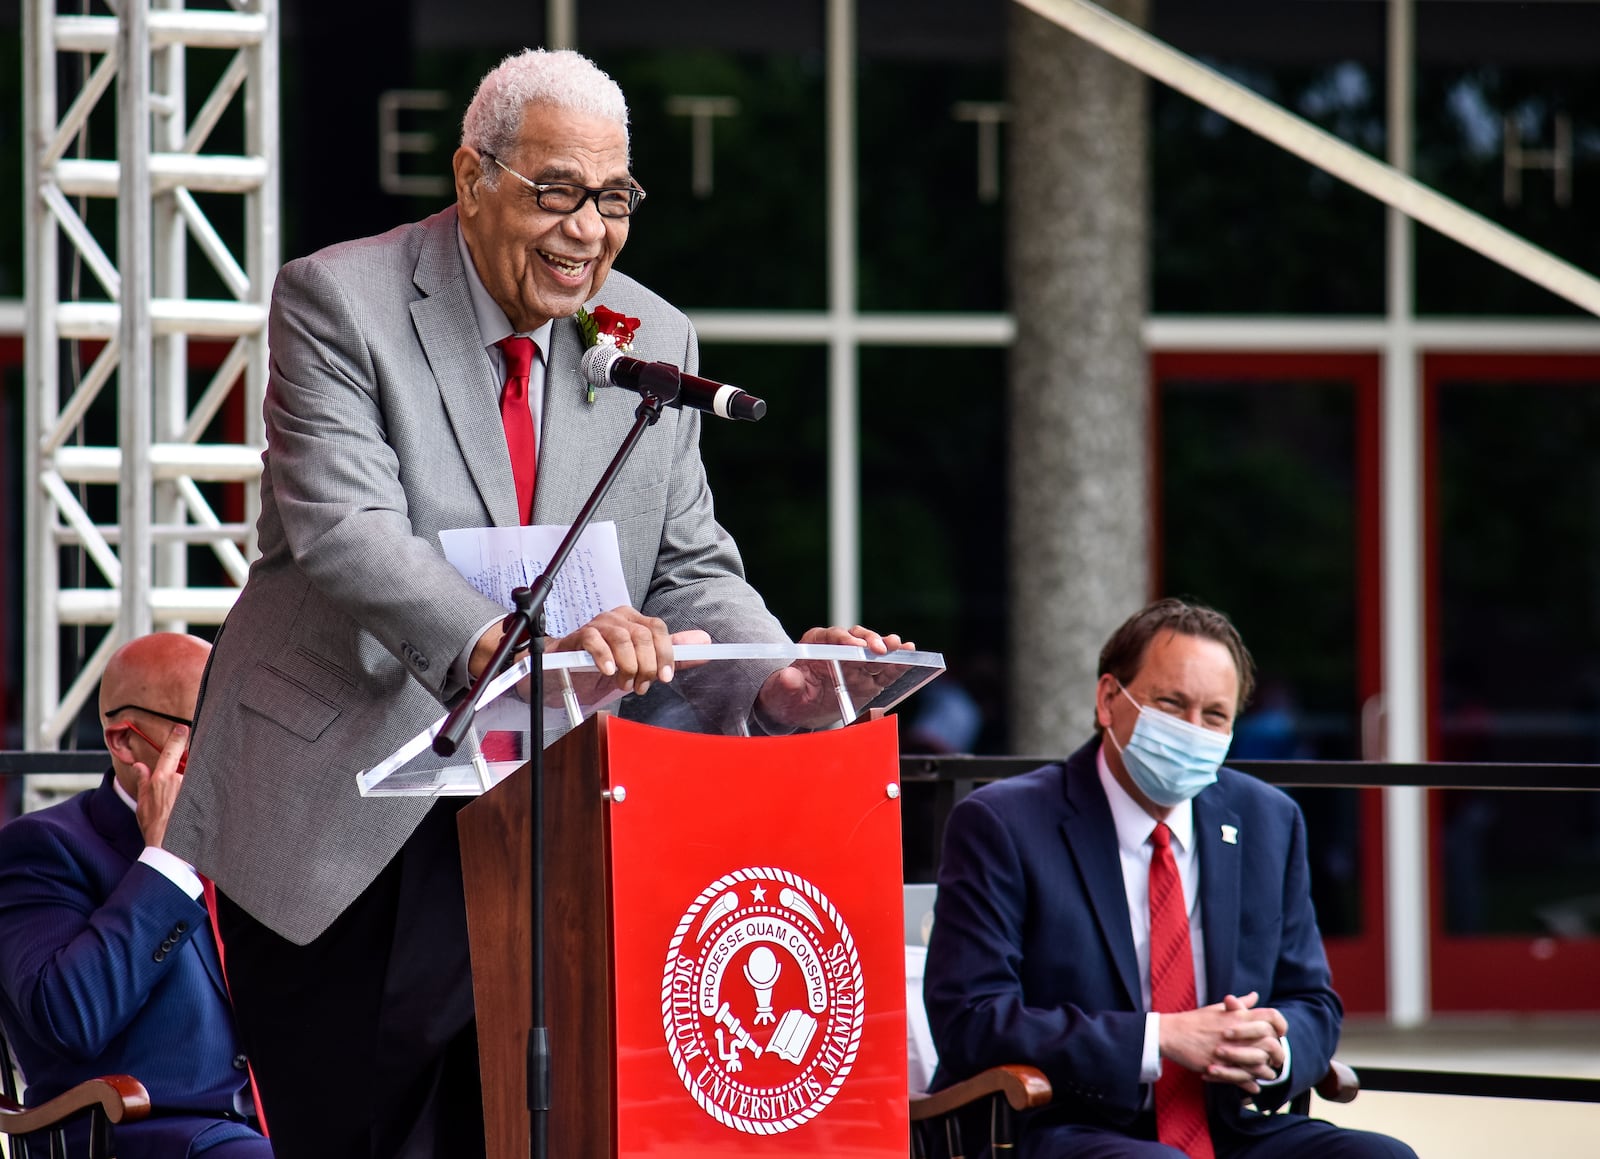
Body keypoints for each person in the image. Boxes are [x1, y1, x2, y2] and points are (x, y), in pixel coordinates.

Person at [163, 47, 907, 1159]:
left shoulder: (651, 337)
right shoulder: (338, 300)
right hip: (343, 808)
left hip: (549, 817)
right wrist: (529, 648)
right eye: (555, 191)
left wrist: (776, 675)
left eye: (613, 199)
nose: (586, 230)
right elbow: (346, 533)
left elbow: (689, 560)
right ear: (472, 178)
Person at [923, 599, 1414, 1159]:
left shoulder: (1267, 820)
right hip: (1059, 1123)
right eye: (1171, 704)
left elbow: (1313, 1000)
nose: (1192, 731)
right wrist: (1160, 1039)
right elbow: (971, 1018)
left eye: (1214, 716)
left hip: (1226, 1121)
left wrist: (1273, 1049)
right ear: (1109, 699)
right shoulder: (1003, 823)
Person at [0, 633, 269, 1159]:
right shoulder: (42, 848)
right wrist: (164, 864)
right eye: (212, 725)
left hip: (275, 1127)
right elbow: (69, 1017)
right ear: (126, 741)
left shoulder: (255, 843)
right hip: (142, 1136)